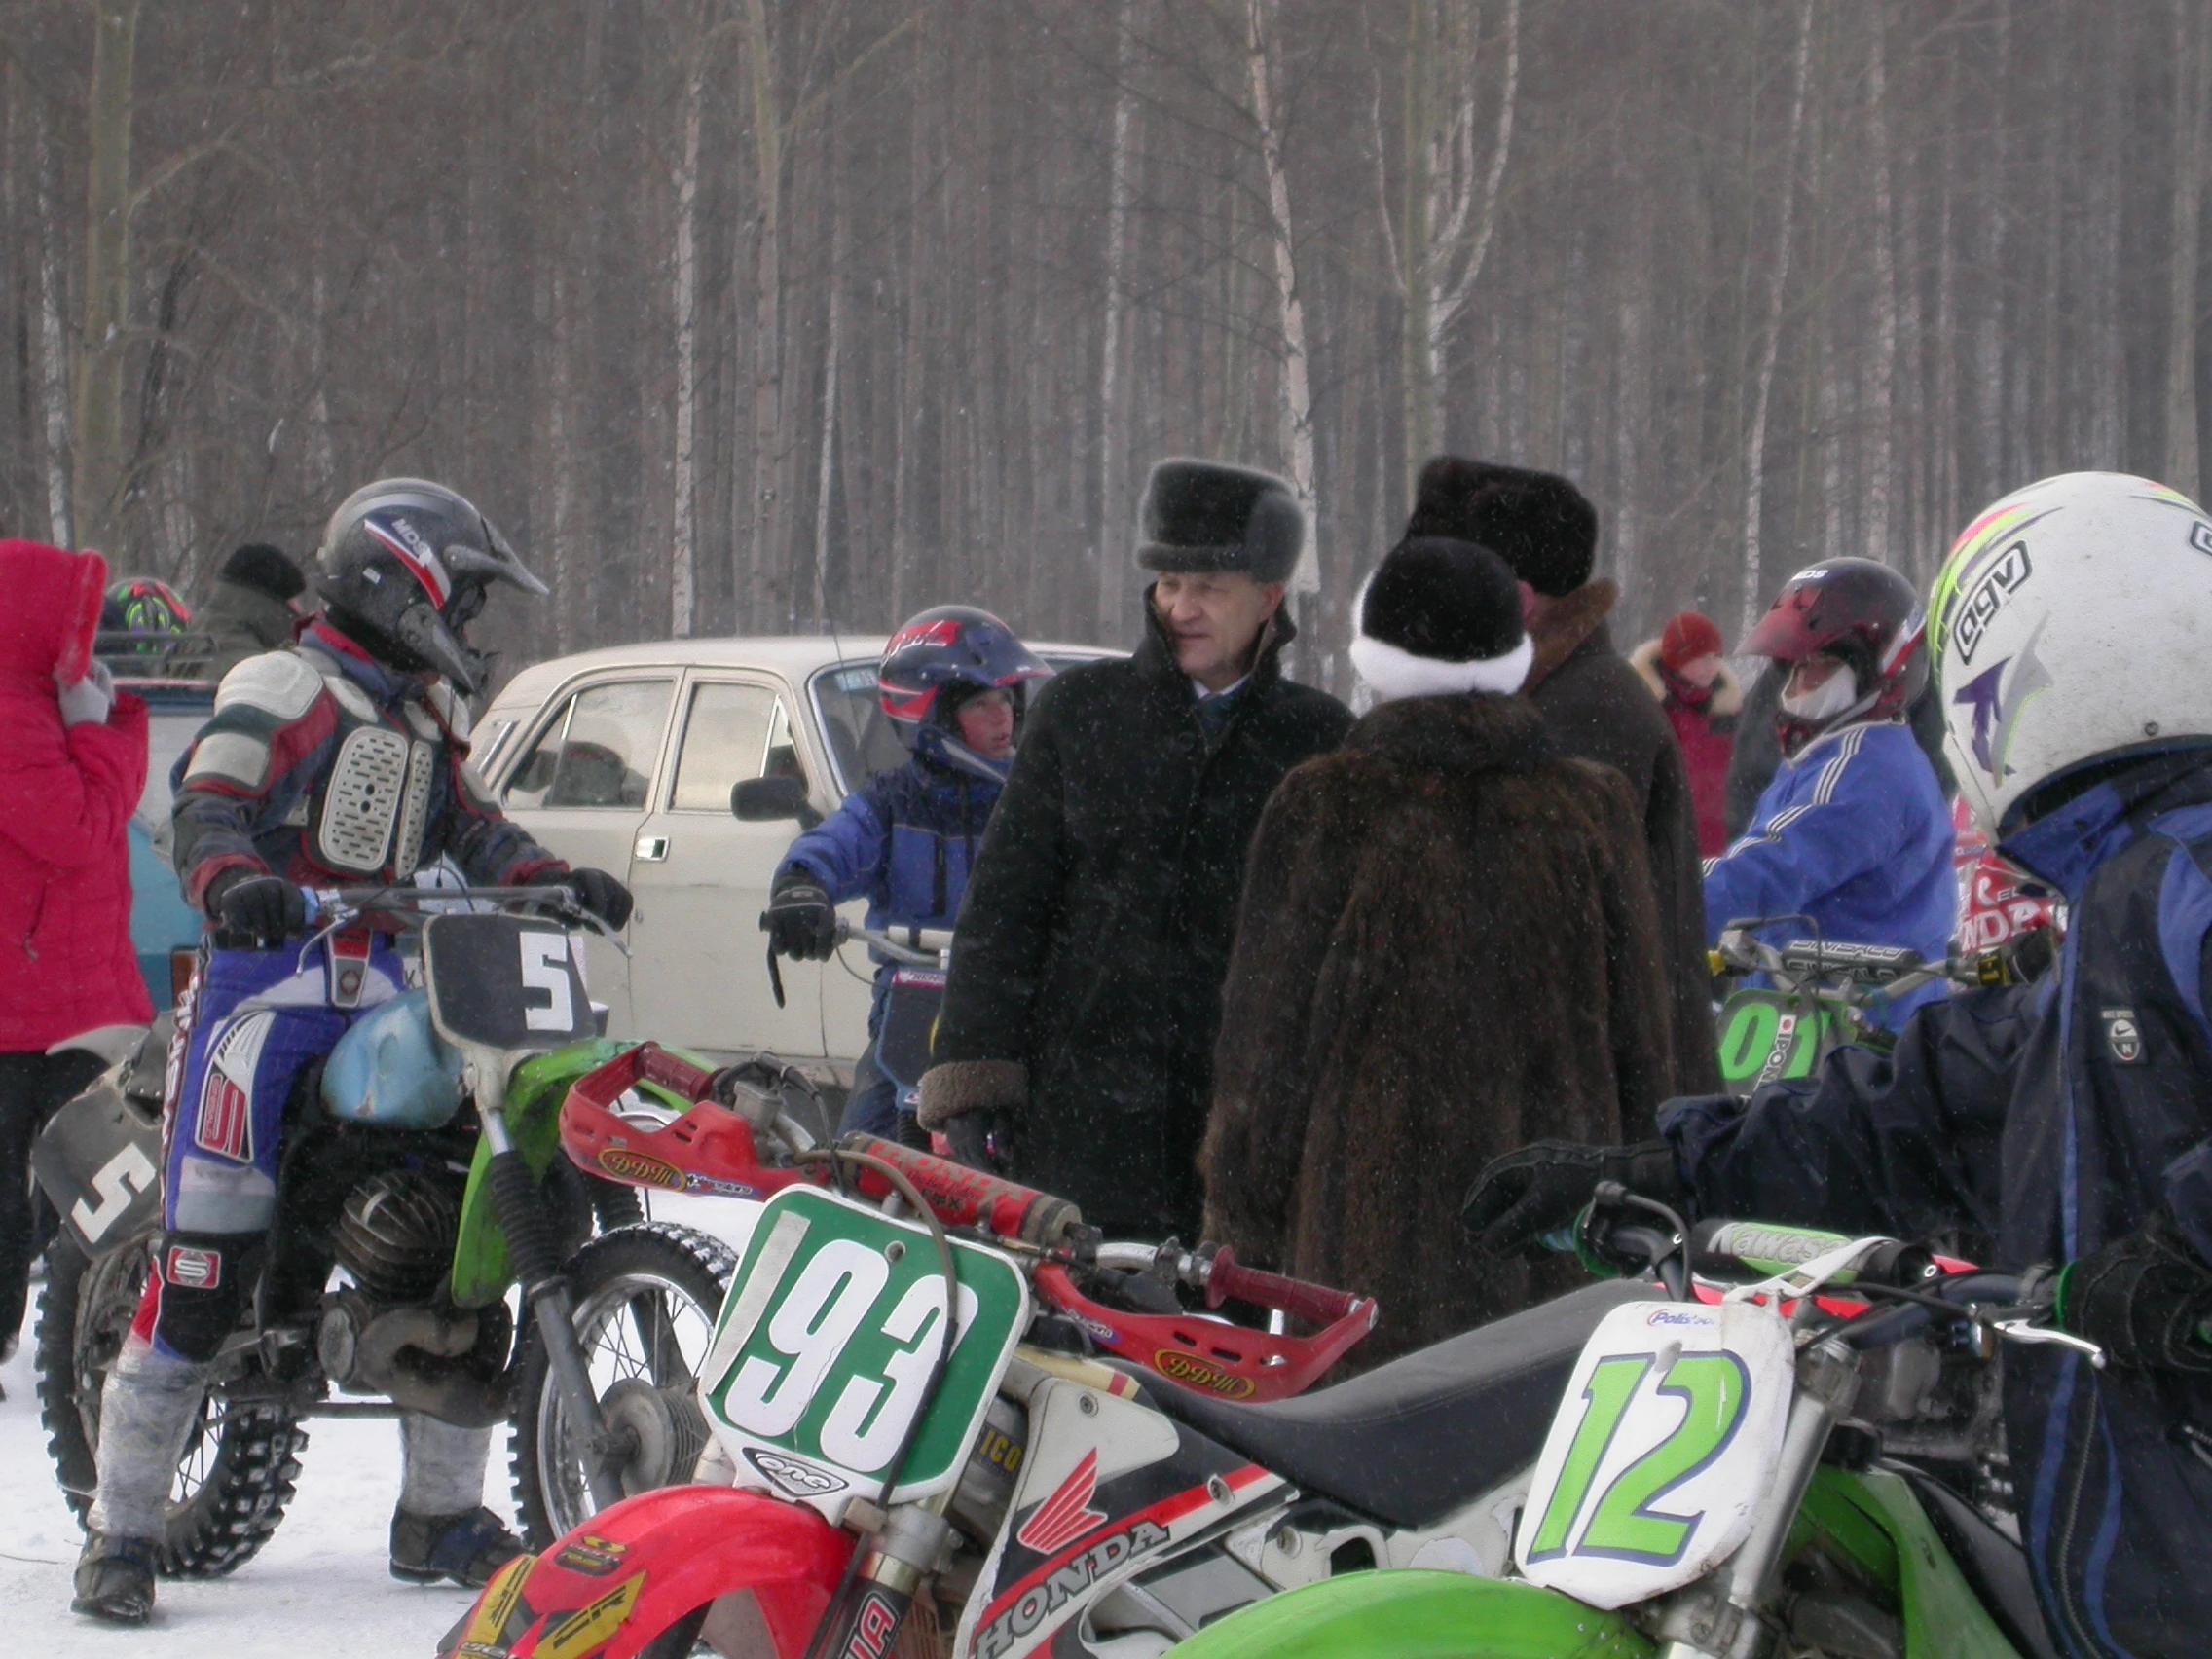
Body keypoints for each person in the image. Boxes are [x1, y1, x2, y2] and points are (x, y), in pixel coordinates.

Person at [1465, 472, 2212, 1659]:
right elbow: (1920, 1107)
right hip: (2136, 1551)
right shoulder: (2112, 918)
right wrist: (1673, 1166)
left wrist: (2188, 1266)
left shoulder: (2178, 883)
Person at [70, 479, 633, 1625]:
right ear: (401, 582)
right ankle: (120, 1531)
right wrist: (233, 879)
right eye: (461, 600)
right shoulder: (287, 685)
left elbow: (475, 831)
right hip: (263, 994)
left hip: (388, 985)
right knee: (204, 1268)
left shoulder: (420, 716)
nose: (468, 625)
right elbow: (207, 799)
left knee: (447, 1247)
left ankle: (438, 1518)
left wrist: (554, 879)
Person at [1200, 536, 1672, 1367]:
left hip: (1368, 1254)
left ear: (1377, 657)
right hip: (1557, 1232)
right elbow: (1647, 1033)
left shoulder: (1326, 803)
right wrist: (1655, 1189)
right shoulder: (1590, 806)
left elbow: (1267, 1044)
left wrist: (1242, 1221)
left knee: (1369, 1439)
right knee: (1545, 1439)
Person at [918, 459, 1353, 1240]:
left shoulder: (1318, 742)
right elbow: (1005, 908)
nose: (1182, 608)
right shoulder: (1081, 713)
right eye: (1169, 583)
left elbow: (1336, 951)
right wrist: (975, 1078)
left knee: (1227, 1320)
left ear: (1269, 598)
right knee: (1075, 1315)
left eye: (1209, 588)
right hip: (1077, 1122)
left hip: (1245, 1141)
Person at [1402, 458, 1716, 1092]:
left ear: (1516, 601)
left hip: (1597, 1111)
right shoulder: (1549, 699)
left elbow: (1535, 955)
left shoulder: (1580, 715)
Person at [765, 606, 1050, 1136]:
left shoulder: (1037, 801)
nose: (1003, 718)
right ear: (930, 714)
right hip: (915, 1012)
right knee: (861, 1150)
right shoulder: (893, 803)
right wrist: (801, 887)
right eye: (981, 703)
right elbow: (834, 843)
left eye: (1007, 700)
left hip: (1018, 1010)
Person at [0, 542, 154, 1390]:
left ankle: (82, 1331)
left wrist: (98, 724)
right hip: (45, 1001)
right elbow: (81, 828)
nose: (84, 644)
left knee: (69, 1187)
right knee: (88, 1188)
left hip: (56, 996)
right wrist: (96, 729)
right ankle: (85, 1335)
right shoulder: (14, 714)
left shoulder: (35, 706)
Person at [1702, 557, 1956, 1030]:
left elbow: (1772, 868)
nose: (1799, 684)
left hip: (1853, 1031)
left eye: (1821, 666)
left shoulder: (1865, 768)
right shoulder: (1828, 755)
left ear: (1875, 671)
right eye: (1796, 667)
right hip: (1818, 1015)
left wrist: (1660, 901)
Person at [1630, 609, 1740, 859]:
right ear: (1676, 659)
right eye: (1701, 658)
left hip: (1722, 849)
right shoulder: (1645, 709)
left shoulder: (1728, 710)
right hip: (1664, 848)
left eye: (1717, 657)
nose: (1712, 667)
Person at [167, 542, 309, 682]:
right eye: (294, 599)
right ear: (272, 604)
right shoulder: (247, 666)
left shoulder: (198, 636)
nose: (300, 610)